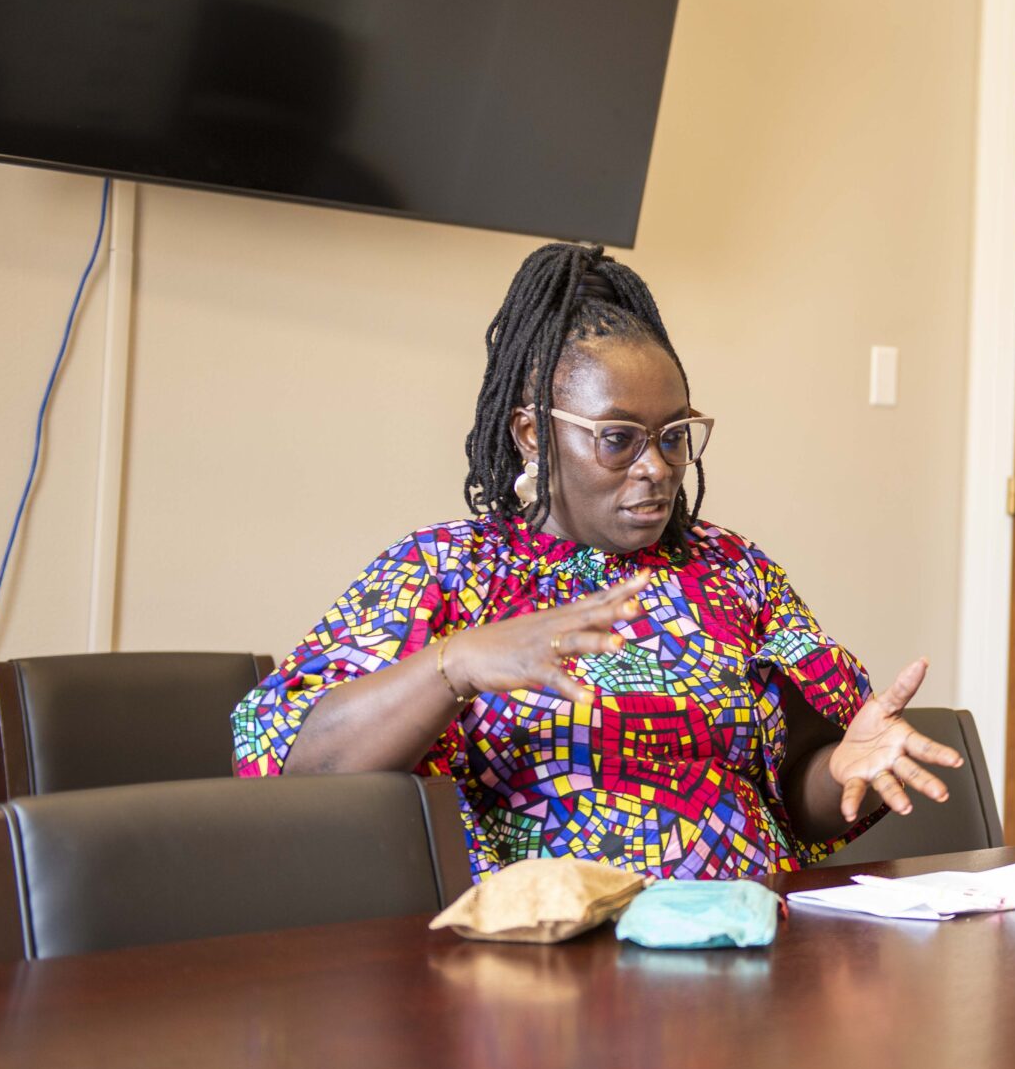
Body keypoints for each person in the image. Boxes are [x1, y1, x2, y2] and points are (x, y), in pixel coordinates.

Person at [234, 243, 961, 881]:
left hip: (748, 951)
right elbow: (293, 763)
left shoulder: (734, 573)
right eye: (618, 438)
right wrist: (455, 664)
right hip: (539, 977)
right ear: (530, 433)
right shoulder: (448, 571)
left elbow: (797, 807)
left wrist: (840, 774)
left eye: (676, 435)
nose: (657, 467)